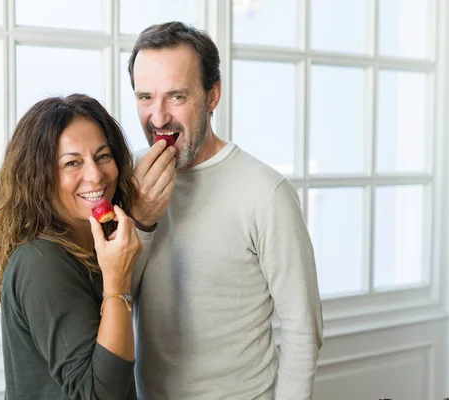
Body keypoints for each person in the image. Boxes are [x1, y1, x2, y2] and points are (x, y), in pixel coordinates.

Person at [126, 22, 324, 400]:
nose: (158, 116)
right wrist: (142, 220)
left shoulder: (266, 192)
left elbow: (303, 332)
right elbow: (117, 298)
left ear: (212, 95)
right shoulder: (129, 179)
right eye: (145, 97)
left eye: (177, 97)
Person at [0, 94, 141, 400]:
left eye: (103, 156)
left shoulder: (96, 248)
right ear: (40, 177)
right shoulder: (42, 262)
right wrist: (117, 284)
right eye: (72, 163)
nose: (95, 175)